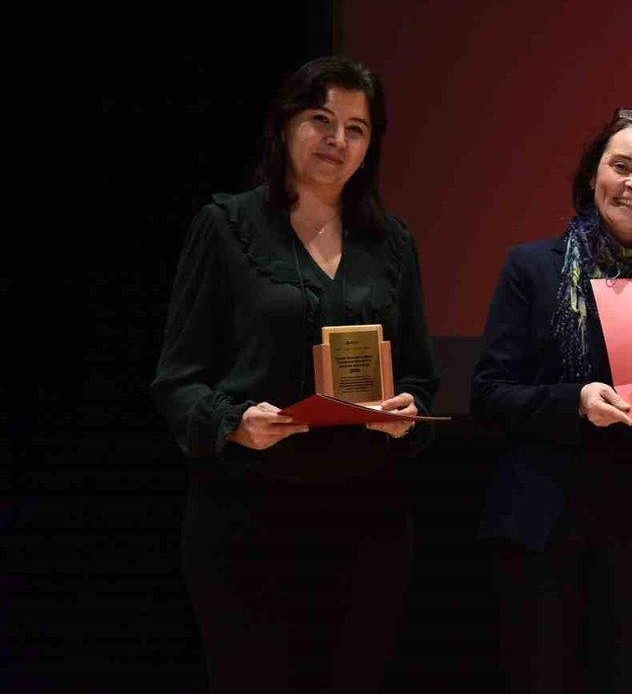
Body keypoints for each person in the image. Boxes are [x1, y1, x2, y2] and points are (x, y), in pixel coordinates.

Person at [151, 56, 438, 693]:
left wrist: (407, 412)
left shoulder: (392, 242)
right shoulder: (226, 226)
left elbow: (420, 375)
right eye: (320, 120)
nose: (338, 140)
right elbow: (177, 380)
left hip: (367, 520)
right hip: (249, 517)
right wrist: (232, 422)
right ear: (285, 125)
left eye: (357, 128)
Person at [472, 108, 632, 692]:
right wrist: (574, 401)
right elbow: (490, 394)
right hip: (541, 528)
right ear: (593, 174)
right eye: (621, 166)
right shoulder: (531, 268)